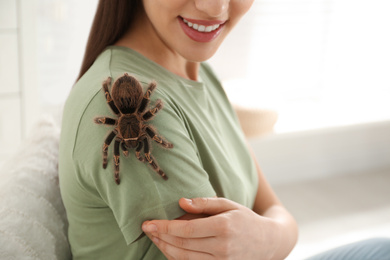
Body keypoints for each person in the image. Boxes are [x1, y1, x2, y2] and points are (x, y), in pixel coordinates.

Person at [58, 1, 388, 260]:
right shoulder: (132, 103)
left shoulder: (200, 73)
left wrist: (265, 238)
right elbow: (276, 222)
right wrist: (271, 237)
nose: (215, 7)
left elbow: (277, 211)